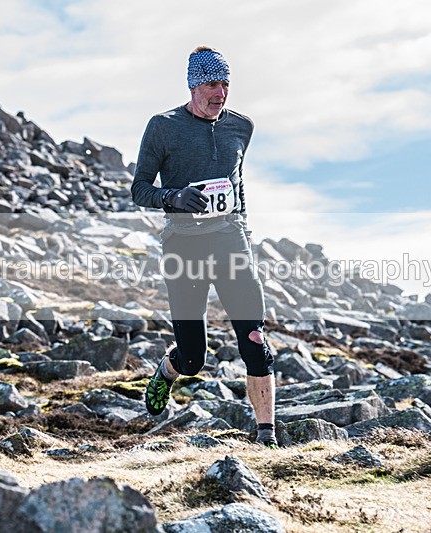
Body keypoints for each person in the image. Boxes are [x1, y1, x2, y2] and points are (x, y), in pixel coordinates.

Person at [131, 46, 277, 447]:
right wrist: (173, 197)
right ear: (194, 85)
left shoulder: (241, 127)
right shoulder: (163, 126)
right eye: (212, 84)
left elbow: (236, 183)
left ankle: (267, 437)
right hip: (184, 246)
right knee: (194, 358)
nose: (220, 93)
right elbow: (139, 188)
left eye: (225, 84)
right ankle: (168, 369)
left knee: (255, 340)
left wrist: (242, 229)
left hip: (230, 241)